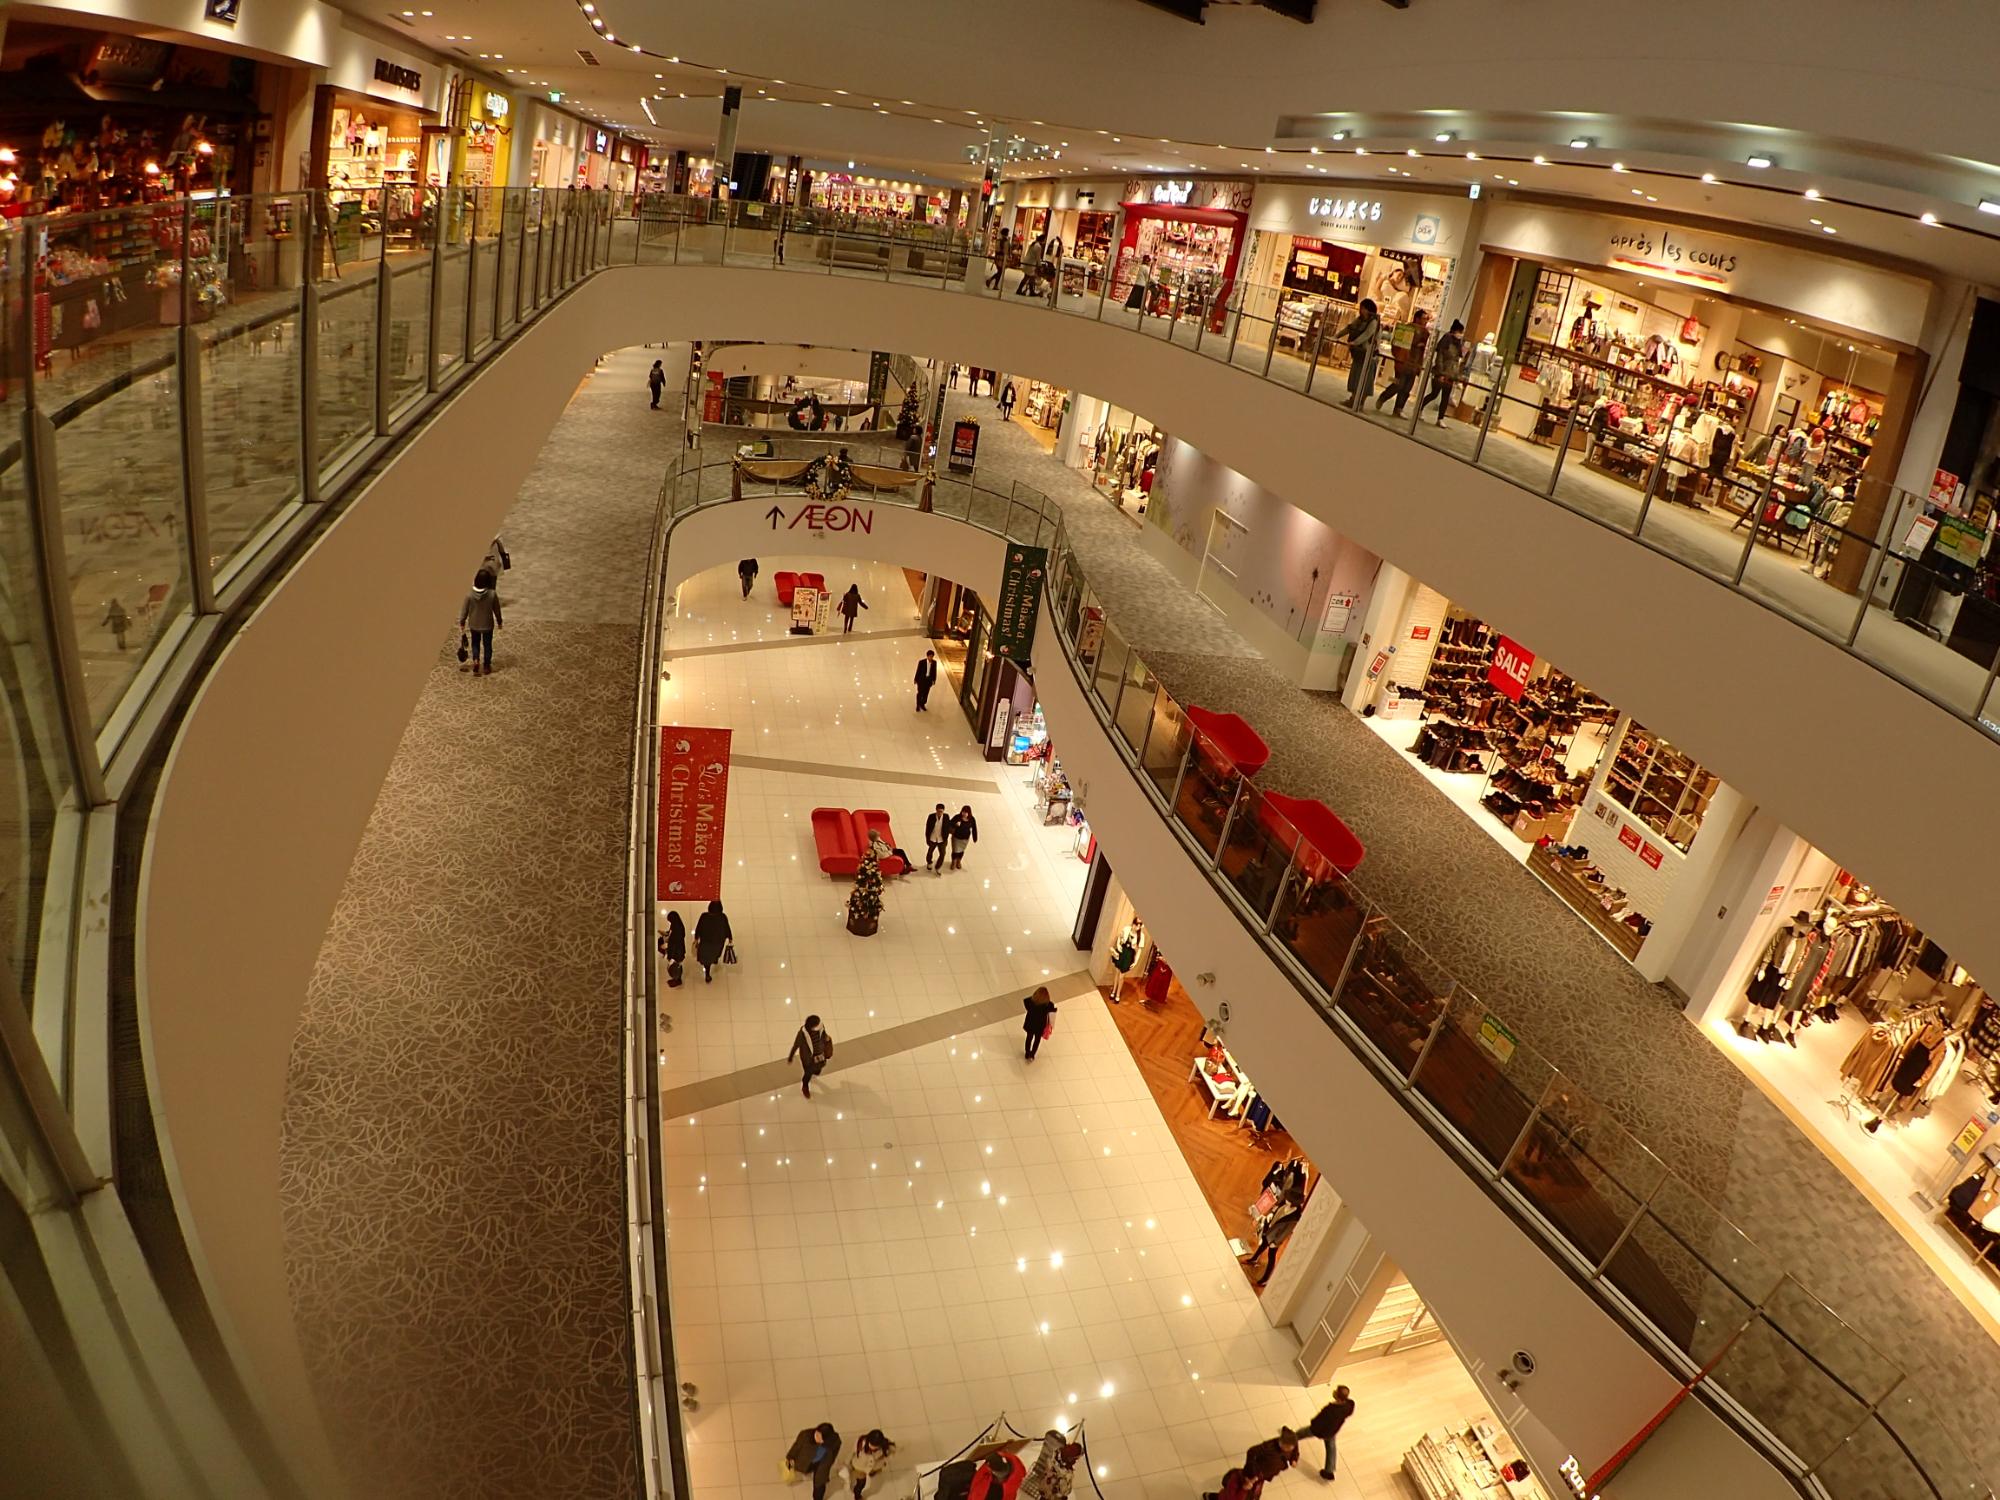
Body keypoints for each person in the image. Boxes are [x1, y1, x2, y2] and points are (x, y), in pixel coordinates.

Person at [1240, 1178, 1304, 1287]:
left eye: (1289, 1199)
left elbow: (1286, 1232)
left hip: (1275, 1237)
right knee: (1262, 1245)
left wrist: (1276, 1242)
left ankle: (1265, 1279)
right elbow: (1277, 1212)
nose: (1287, 1200)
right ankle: (1254, 1259)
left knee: (1271, 1256)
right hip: (1270, 1229)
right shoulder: (1285, 1205)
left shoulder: (1294, 1217)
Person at [1374, 308, 1430, 417]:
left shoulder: (1425, 333)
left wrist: (1419, 365)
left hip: (1414, 363)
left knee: (1407, 388)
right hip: (1403, 361)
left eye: (1426, 319)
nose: (1426, 321)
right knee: (1399, 384)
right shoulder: (1407, 329)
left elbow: (1422, 352)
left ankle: (1398, 409)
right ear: (1417, 319)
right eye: (1424, 319)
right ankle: (1384, 397)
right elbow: (1398, 344)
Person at [1418, 319, 1466, 426]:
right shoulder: (1446, 339)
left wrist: (1457, 376)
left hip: (1451, 374)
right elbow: (1439, 357)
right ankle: (1420, 408)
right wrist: (1440, 372)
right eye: (1460, 332)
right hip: (1441, 372)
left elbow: (1457, 361)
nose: (1461, 334)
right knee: (1434, 394)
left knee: (1445, 397)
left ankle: (1440, 419)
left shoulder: (1458, 344)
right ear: (1455, 331)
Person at [1338, 298, 1382, 409]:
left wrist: (1354, 342)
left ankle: (1360, 402)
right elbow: (1349, 328)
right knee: (1355, 377)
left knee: (1365, 380)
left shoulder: (1374, 322)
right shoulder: (1360, 320)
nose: (1361, 310)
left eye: (1363, 308)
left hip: (1369, 355)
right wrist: (1336, 336)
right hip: (1359, 354)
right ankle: (1353, 399)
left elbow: (1367, 335)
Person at [460, 566, 503, 676]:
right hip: (487, 624)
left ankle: (476, 660)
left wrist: (462, 621)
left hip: (474, 624)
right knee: (487, 645)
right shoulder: (492, 594)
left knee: (475, 643)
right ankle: (487, 665)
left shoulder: (469, 595)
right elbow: (497, 610)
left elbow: (464, 610)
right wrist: (499, 621)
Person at [1308, 1387, 1355, 1481]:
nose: (1334, 1391)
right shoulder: (1349, 1405)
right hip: (1333, 1430)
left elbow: (1319, 1420)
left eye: (1336, 1391)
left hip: (1323, 1430)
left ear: (1338, 1396)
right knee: (1331, 1447)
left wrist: (1313, 1424)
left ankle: (1289, 1437)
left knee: (1303, 1433)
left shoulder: (1330, 1410)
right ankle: (1329, 1471)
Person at [786, 1423, 843, 1500]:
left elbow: (834, 1452)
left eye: (820, 1438)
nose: (817, 1438)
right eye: (817, 1434)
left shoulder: (835, 1440)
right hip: (806, 1460)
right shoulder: (805, 1435)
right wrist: (790, 1457)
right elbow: (796, 1447)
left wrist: (830, 1462)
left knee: (820, 1483)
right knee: (804, 1469)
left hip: (823, 1463)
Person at [1022, 1433, 1081, 1500]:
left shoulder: (1055, 1453)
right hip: (1049, 1490)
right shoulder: (1068, 1472)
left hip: (1047, 1489)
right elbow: (1065, 1491)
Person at [788, 1013, 833, 1098]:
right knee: (808, 1073)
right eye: (817, 1025)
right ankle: (805, 1086)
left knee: (818, 1071)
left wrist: (827, 1040)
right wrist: (791, 1056)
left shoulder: (820, 1027)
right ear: (811, 1027)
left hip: (820, 1056)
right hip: (808, 1059)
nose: (820, 1025)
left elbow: (824, 1035)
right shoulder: (802, 1034)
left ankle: (814, 1071)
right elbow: (796, 1045)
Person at [848, 1430, 896, 1499]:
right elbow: (853, 1452)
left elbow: (891, 1454)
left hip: (875, 1466)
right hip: (860, 1467)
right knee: (861, 1484)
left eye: (876, 1446)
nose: (872, 1447)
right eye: (871, 1444)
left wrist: (884, 1462)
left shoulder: (886, 1446)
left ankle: (872, 1473)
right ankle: (857, 1496)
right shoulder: (860, 1442)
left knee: (873, 1471)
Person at [693, 898, 731, 982]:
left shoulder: (704, 916)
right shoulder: (722, 917)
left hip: (706, 942)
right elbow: (727, 928)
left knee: (706, 958)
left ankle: (707, 972)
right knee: (714, 955)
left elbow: (699, 928)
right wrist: (730, 938)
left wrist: (696, 938)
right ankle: (713, 961)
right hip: (717, 942)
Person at [1023, 985, 1057, 1061]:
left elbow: (1026, 1001)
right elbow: (1053, 1010)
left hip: (1030, 1024)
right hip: (1040, 1026)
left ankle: (1027, 1053)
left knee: (1029, 1038)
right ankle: (1032, 1055)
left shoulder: (1029, 1002)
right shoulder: (1048, 1005)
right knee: (1037, 1040)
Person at [657, 911, 686, 988]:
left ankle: (677, 979)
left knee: (676, 966)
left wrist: (667, 945)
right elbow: (671, 934)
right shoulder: (676, 925)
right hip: (675, 951)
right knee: (675, 965)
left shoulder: (678, 930)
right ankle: (677, 978)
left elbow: (675, 942)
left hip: (677, 952)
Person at [947, 805, 978, 870]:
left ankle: (959, 861)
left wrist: (975, 837)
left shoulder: (972, 819)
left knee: (961, 851)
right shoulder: (957, 817)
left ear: (969, 813)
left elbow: (974, 829)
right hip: (956, 838)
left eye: (966, 813)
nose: (964, 814)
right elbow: (949, 824)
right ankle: (954, 862)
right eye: (963, 812)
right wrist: (955, 825)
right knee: (955, 851)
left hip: (965, 839)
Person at [924, 803, 950, 873]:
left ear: (943, 811)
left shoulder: (946, 817)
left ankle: (938, 867)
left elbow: (948, 827)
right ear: (936, 810)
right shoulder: (931, 816)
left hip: (942, 839)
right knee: (930, 852)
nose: (939, 813)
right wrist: (927, 838)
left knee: (942, 853)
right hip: (933, 838)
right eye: (938, 811)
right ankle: (929, 862)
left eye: (941, 811)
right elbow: (927, 828)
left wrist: (946, 837)